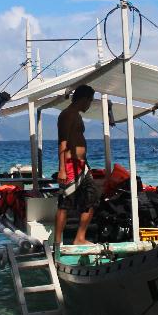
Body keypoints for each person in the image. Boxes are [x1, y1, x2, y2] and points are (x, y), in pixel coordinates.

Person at [55, 84, 99, 247]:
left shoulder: (77, 116)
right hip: (69, 165)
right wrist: (62, 170)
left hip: (82, 165)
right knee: (65, 204)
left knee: (92, 198)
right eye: (90, 101)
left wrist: (86, 163)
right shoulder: (67, 115)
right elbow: (63, 142)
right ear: (83, 99)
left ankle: (79, 238)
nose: (90, 105)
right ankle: (57, 243)